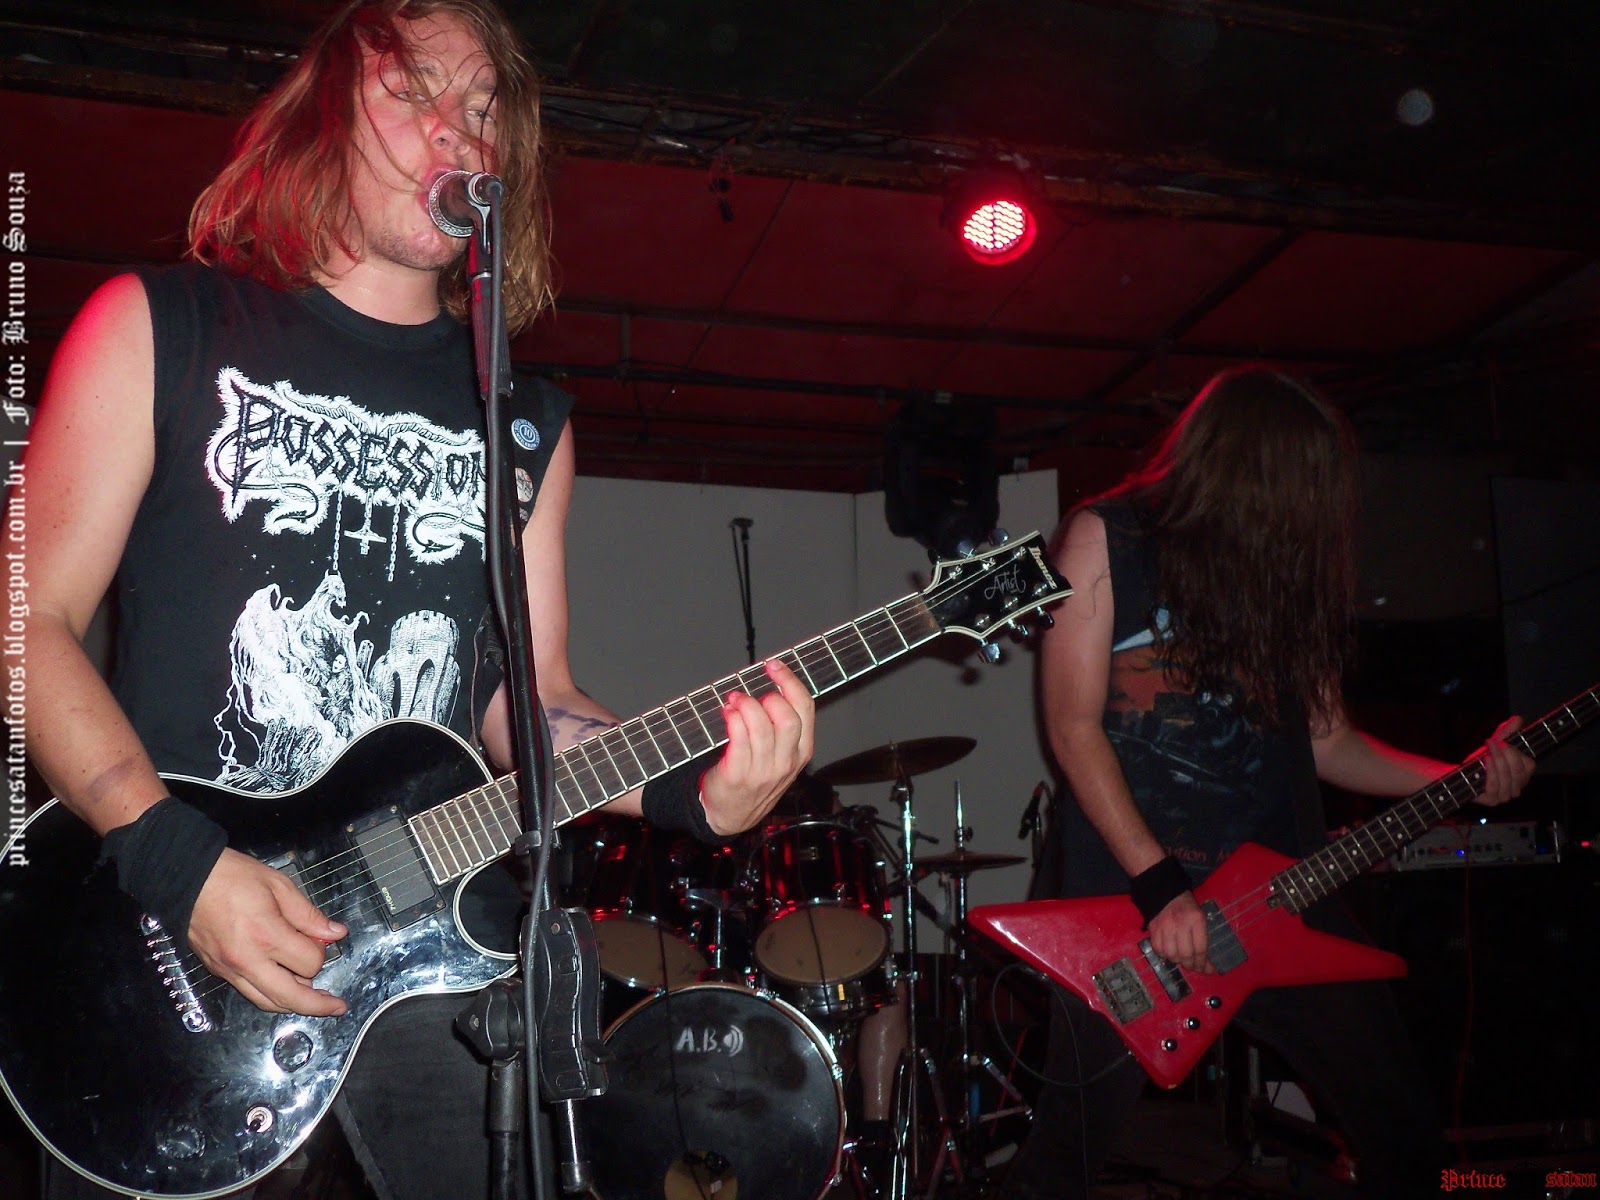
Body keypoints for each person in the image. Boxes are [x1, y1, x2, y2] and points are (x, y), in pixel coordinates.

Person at [16, 2, 813, 1196]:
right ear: (322, 118)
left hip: (430, 946)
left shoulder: (526, 422)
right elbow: (26, 622)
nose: (456, 129)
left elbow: (528, 706)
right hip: (166, 924)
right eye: (412, 90)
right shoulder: (161, 322)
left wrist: (693, 791)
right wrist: (175, 859)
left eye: (482, 108)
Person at [999, 366, 1534, 1199]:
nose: (1316, 507)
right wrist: (1160, 885)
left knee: (1402, 1127)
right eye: (1304, 483)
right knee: (1064, 1160)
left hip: (1281, 892)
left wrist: (1459, 775)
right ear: (1249, 469)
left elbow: (1328, 741)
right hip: (1128, 909)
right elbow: (1073, 726)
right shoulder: (1107, 538)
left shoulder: (1286, 577)